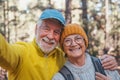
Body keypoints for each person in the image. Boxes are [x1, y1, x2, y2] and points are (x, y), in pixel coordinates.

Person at [0, 9, 118, 80]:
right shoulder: (22, 52)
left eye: (56, 32)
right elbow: (4, 51)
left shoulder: (63, 56)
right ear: (36, 29)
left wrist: (110, 61)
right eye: (46, 29)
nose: (51, 36)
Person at [52, 23, 120, 80]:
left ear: (85, 42)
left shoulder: (105, 65)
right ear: (63, 48)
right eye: (67, 41)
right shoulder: (60, 77)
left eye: (78, 38)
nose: (73, 44)